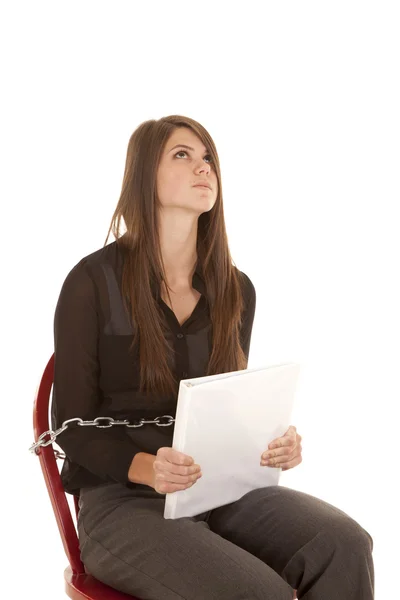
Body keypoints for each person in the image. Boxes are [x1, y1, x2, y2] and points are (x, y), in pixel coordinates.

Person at [51, 115, 374, 600]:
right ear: (144, 174)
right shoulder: (91, 283)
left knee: (344, 545)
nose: (204, 167)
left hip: (217, 491)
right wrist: (146, 466)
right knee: (256, 592)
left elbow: (228, 406)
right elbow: (70, 425)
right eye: (183, 154)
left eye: (209, 159)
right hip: (121, 504)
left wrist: (272, 441)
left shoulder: (235, 290)